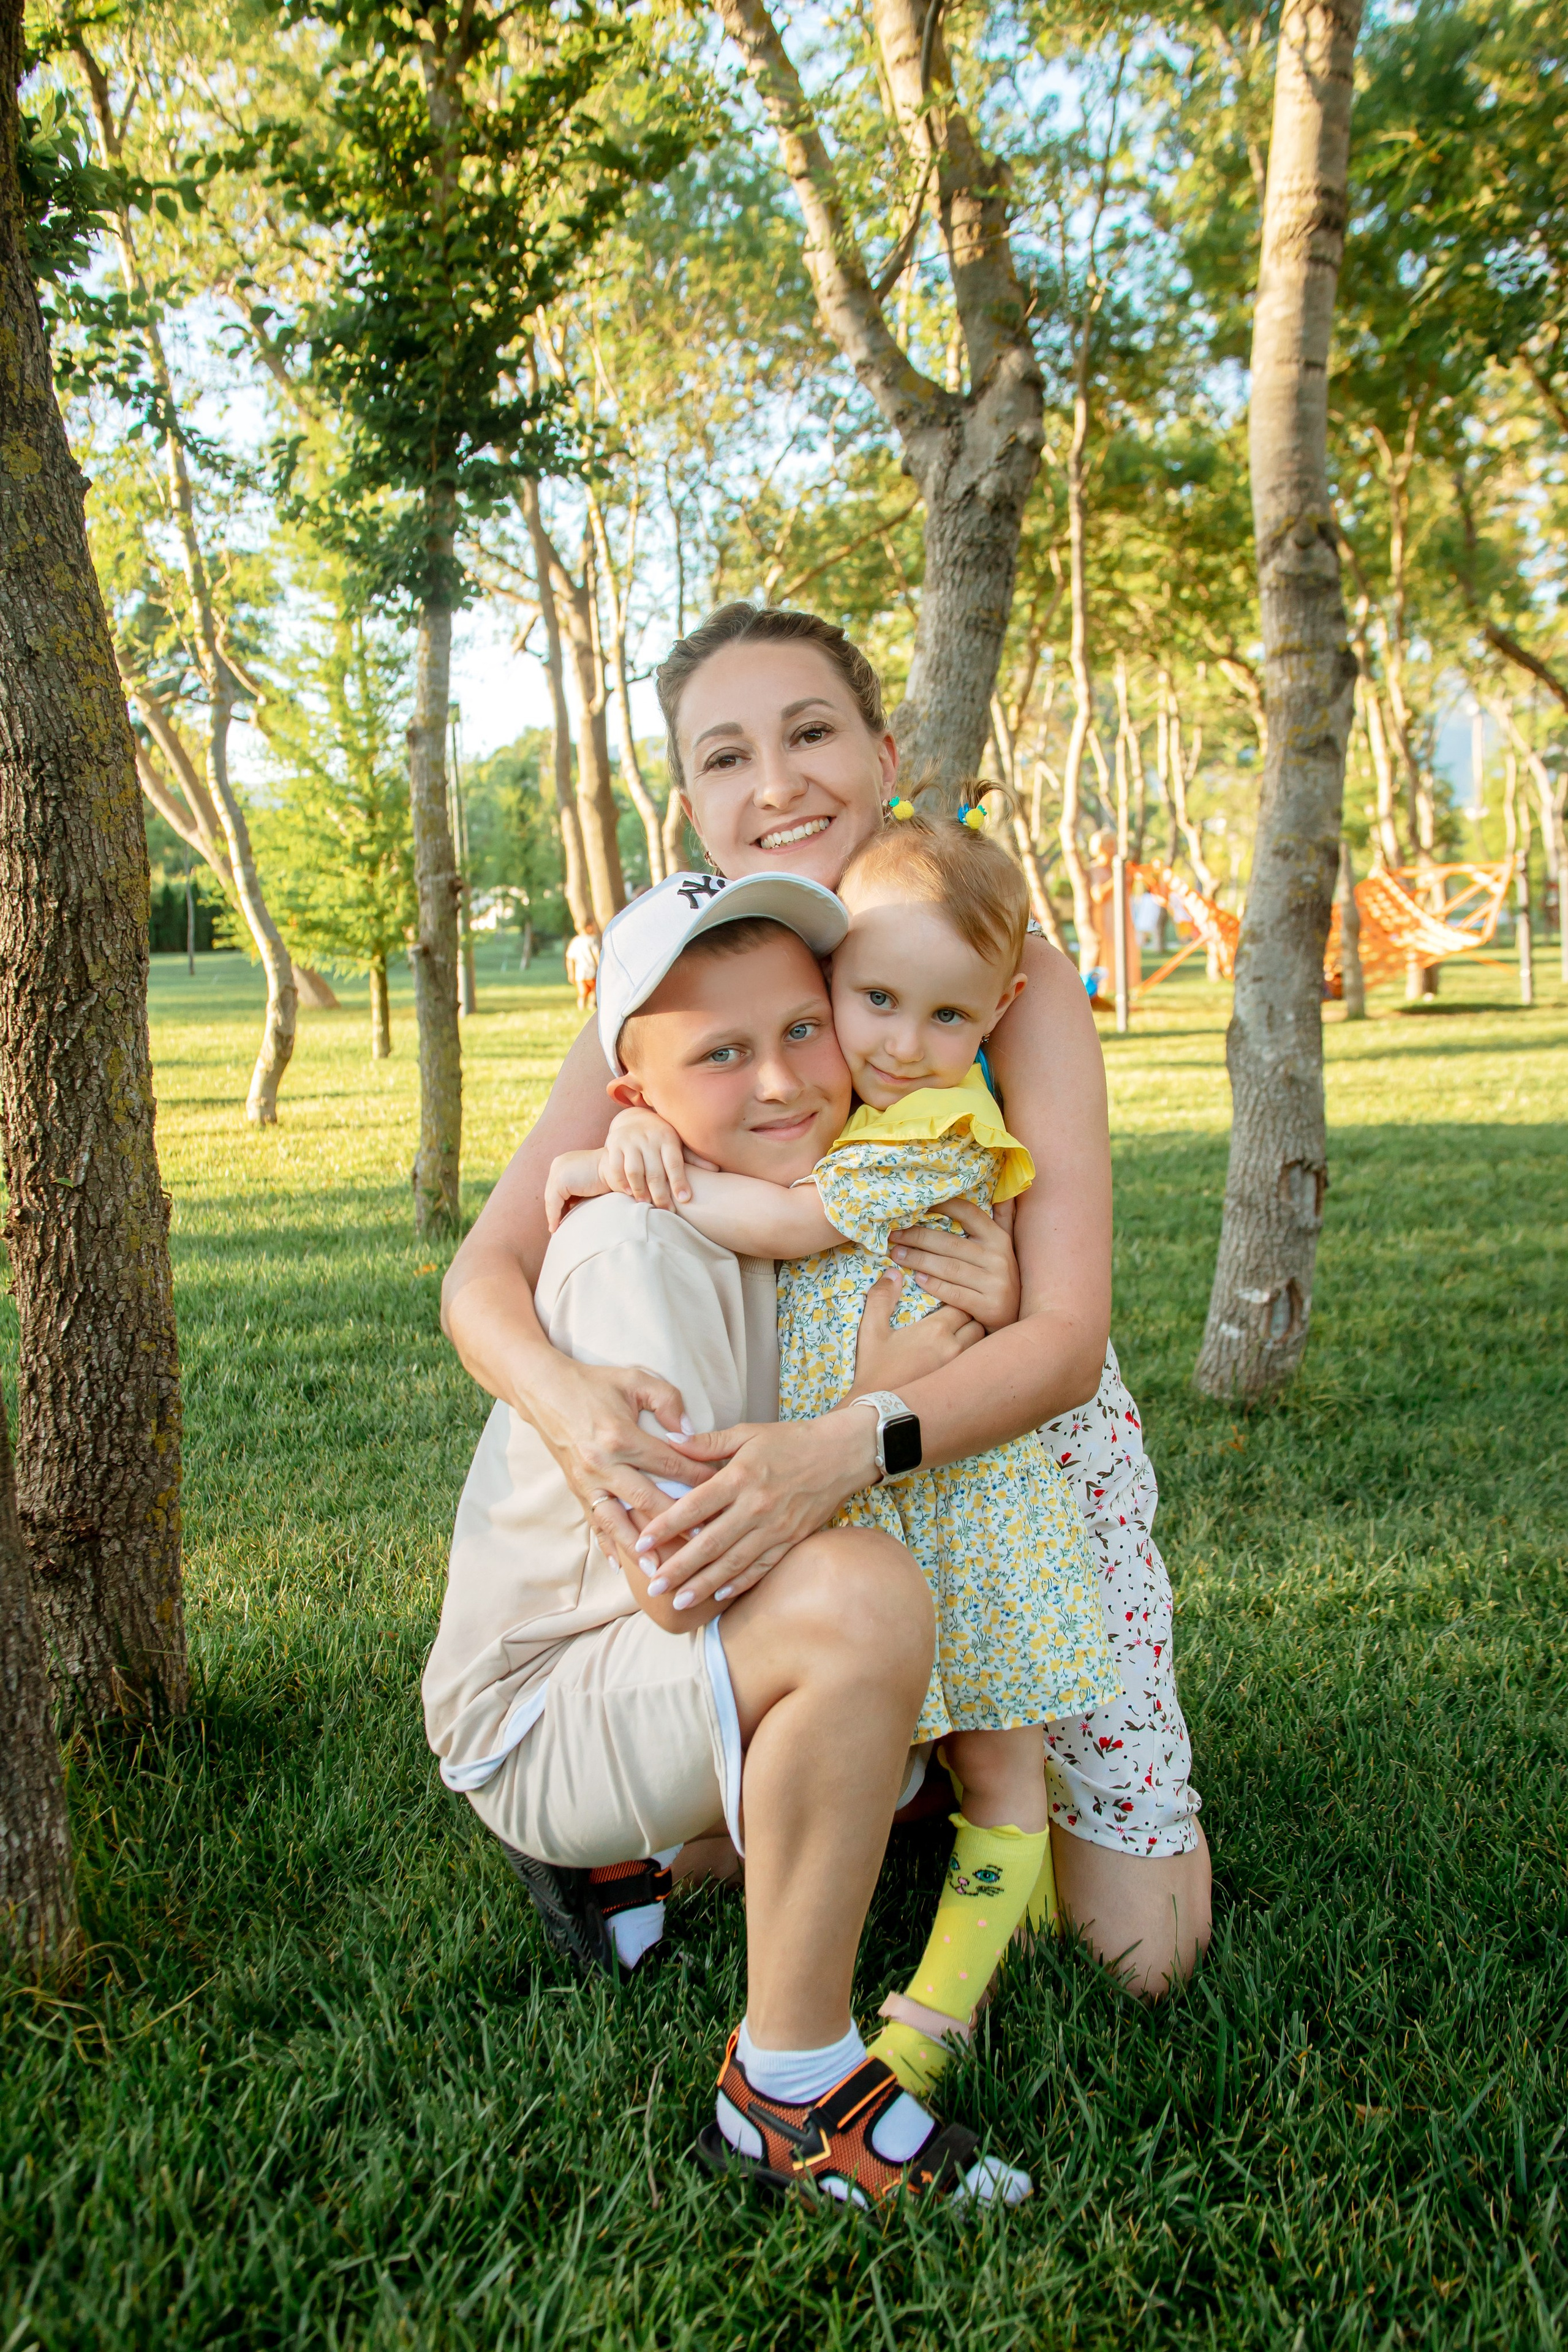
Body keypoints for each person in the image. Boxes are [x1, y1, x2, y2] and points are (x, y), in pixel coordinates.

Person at [442, 601, 1210, 2001]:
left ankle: (925, 1769)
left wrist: (858, 1430)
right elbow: (482, 1271)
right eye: (724, 755)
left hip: (997, 1440)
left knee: (1139, 1955)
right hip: (797, 1426)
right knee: (839, 1665)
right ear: (689, 797)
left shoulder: (993, 963)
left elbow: (1065, 1335)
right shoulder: (679, 970)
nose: (775, 781)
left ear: (883, 746)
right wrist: (569, 1403)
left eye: (807, 732)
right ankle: (780, 1792)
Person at [425, 873, 1031, 2206]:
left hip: (621, 1662)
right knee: (863, 1607)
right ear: (633, 1098)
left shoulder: (764, 1194)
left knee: (899, 1723)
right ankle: (788, 2092)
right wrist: (874, 1402)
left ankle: (636, 1859)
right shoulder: (642, 1253)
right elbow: (677, 1576)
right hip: (546, 1703)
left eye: (801, 1030)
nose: (782, 1082)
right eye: (720, 1053)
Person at [550, 808, 1121, 2097]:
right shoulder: (844, 1103)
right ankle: (946, 1913)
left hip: (963, 1496)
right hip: (881, 1485)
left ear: (1000, 1013)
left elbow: (792, 1225)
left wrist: (624, 1161)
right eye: (868, 1002)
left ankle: (940, 2004)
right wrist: (646, 1119)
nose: (900, 1047)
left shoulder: (928, 1132)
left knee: (996, 1756)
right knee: (913, 1737)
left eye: (945, 1021)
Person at [1084, 828, 1141, 1005]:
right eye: (1109, 844)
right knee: (1108, 952)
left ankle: (1123, 991)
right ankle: (1097, 992)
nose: (1113, 847)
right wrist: (1117, 879)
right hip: (1105, 919)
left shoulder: (1119, 868)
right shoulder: (1095, 869)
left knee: (1125, 951)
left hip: (1122, 917)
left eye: (1113, 843)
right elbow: (1098, 895)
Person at [565, 915, 601, 1010]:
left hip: (580, 974)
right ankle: (592, 1007)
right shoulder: (592, 940)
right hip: (592, 972)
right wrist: (601, 966)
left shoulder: (575, 941)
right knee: (594, 992)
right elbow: (597, 955)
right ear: (589, 927)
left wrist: (571, 973)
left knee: (582, 994)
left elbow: (570, 959)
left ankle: (581, 1008)